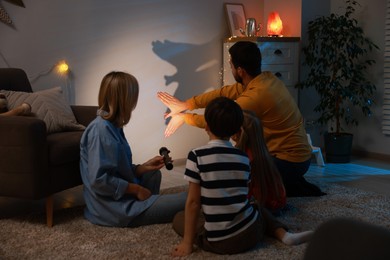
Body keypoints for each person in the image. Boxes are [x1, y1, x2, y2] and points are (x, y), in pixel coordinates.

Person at [157, 41, 325, 197]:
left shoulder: (256, 96)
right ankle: (286, 183)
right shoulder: (265, 79)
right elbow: (223, 93)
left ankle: (285, 183)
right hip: (296, 158)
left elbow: (220, 121)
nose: (230, 68)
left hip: (289, 162)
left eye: (231, 65)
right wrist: (187, 104)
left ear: (240, 71)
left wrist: (183, 118)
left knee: (232, 176)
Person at [171, 97, 313, 256]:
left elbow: (193, 203)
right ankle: (284, 235)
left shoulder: (196, 156)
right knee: (256, 207)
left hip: (218, 242)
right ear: (235, 131)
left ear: (207, 126)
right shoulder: (243, 158)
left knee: (179, 218)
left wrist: (187, 243)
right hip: (251, 234)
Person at [80, 71, 186, 227]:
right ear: (123, 98)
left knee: (153, 174)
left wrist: (143, 167)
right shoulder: (100, 131)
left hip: (119, 198)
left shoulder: (113, 126)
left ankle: (148, 203)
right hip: (113, 209)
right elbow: (99, 181)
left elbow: (116, 169)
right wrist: (136, 189)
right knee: (189, 198)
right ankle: (142, 208)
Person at [233, 110, 286, 214]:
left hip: (266, 207)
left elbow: (245, 194)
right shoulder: (260, 151)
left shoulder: (246, 158)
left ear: (239, 131)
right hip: (277, 203)